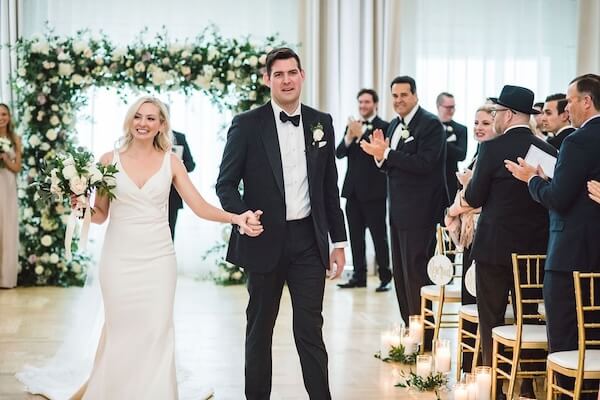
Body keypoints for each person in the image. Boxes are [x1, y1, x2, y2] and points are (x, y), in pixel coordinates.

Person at [18, 96, 261, 400]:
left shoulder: (172, 162)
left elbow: (199, 206)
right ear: (129, 120)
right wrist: (80, 205)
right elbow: (100, 215)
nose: (143, 123)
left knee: (157, 329)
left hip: (159, 259)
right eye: (138, 116)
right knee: (121, 328)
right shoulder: (109, 160)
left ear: (161, 125)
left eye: (150, 118)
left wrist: (236, 217)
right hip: (118, 259)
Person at [216, 47, 347, 400]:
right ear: (267, 80)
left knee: (310, 329)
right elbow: (225, 184)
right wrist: (242, 215)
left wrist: (338, 242)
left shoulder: (321, 122)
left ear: (302, 75)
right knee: (259, 330)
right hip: (263, 239)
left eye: (292, 73)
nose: (286, 80)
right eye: (278, 74)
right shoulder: (247, 124)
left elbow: (329, 187)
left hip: (308, 242)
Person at [506, 74, 600, 400]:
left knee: (564, 342)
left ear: (586, 101)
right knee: (593, 343)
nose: (568, 108)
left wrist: (532, 180)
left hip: (568, 257)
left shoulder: (576, 141)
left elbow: (559, 199)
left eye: (570, 101)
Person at [462, 85, 557, 399]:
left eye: (497, 112)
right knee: (527, 317)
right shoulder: (547, 150)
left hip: (493, 248)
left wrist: (469, 184)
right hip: (534, 250)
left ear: (510, 114)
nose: (494, 117)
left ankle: (495, 389)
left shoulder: (491, 149)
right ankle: (528, 386)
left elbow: (475, 197)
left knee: (491, 317)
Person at [360, 76, 448, 336]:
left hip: (422, 211)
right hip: (398, 211)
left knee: (417, 273)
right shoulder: (393, 126)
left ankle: (426, 337)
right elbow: (392, 166)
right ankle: (411, 329)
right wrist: (380, 158)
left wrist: (387, 154)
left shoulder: (430, 124)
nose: (398, 100)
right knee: (401, 274)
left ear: (415, 95)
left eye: (404, 95)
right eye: (395, 96)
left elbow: (425, 164)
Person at [336, 88, 392, 292]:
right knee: (355, 237)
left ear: (375, 104)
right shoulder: (352, 126)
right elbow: (339, 153)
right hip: (353, 192)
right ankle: (358, 276)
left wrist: (361, 135)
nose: (363, 106)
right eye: (360, 102)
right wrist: (349, 136)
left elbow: (379, 154)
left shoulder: (385, 127)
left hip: (375, 192)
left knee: (379, 237)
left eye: (367, 102)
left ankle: (385, 277)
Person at [444, 104, 498, 306]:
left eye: (485, 123)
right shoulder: (480, 152)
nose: (478, 127)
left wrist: (452, 210)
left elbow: (479, 196)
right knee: (468, 292)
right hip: (470, 232)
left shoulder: (494, 153)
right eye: (476, 123)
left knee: (476, 293)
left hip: (483, 231)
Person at [0, 103, 21, 289]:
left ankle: (6, 278)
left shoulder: (15, 139)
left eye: (4, 114)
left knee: (7, 227)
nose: (1, 118)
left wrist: (6, 160)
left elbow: (17, 167)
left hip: (7, 186)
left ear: (9, 117)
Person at [437, 92, 468, 200]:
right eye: (448, 107)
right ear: (439, 107)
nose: (451, 110)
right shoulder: (429, 127)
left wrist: (441, 143)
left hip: (451, 179)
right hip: (430, 179)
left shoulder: (461, 129)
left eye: (453, 107)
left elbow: (461, 155)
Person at [168, 129, 196, 239]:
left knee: (169, 234)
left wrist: (177, 165)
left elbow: (191, 165)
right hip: (148, 194)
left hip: (172, 195)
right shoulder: (145, 135)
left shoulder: (178, 137)